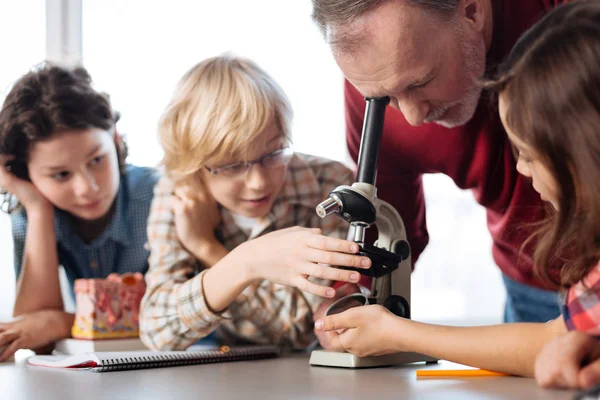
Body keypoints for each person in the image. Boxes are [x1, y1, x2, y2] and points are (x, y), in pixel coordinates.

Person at [315, 0, 600, 382]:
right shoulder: (376, 81)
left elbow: (553, 340)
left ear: (471, 11)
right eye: (387, 99)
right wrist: (350, 301)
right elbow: (388, 230)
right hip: (534, 279)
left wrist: (396, 332)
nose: (412, 117)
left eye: (419, 83)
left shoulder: (578, 32)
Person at [139, 54, 371, 351]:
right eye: (232, 165)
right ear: (194, 164)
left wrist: (212, 250)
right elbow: (157, 331)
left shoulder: (330, 186)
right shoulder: (180, 193)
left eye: (273, 154)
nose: (258, 182)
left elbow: (297, 330)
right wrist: (244, 264)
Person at [0, 64, 158, 361]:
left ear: (115, 139)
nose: (87, 188)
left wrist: (60, 322)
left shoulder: (156, 196)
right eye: (60, 175)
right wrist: (38, 209)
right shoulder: (35, 208)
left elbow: (171, 320)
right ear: (27, 176)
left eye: (97, 159)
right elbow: (36, 335)